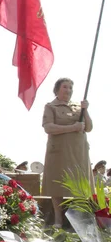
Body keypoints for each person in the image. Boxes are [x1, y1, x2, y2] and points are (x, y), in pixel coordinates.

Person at [42, 78, 93, 227]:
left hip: (78, 152)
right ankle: (58, 220)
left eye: (71, 87)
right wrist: (72, 128)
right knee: (57, 185)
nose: (68, 90)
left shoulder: (78, 107)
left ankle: (78, 222)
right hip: (58, 151)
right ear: (57, 89)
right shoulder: (51, 106)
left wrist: (86, 110)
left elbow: (88, 127)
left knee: (78, 184)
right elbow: (48, 127)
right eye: (65, 87)